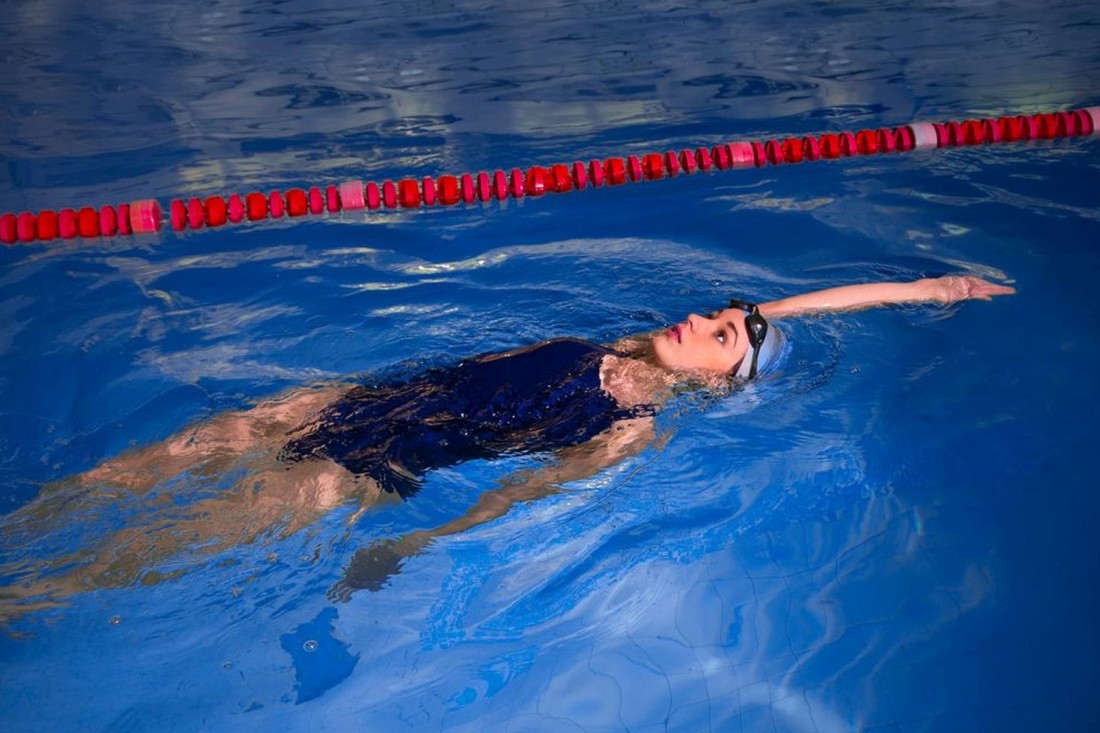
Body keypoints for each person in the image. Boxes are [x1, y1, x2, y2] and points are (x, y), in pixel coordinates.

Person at [0, 274, 1014, 616]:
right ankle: (22, 528)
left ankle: (31, 597)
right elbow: (786, 306)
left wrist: (404, 545)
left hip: (352, 471)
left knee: (179, 536)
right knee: (152, 463)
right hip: (346, 401)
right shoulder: (624, 339)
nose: (704, 319)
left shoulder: (631, 428)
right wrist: (926, 290)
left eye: (718, 335)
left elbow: (519, 497)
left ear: (720, 379)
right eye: (714, 312)